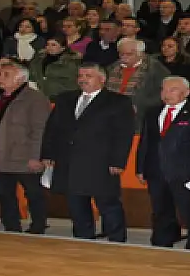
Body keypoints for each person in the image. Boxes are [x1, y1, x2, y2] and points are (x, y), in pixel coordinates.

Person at [41, 64, 136, 241]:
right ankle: (83, 239)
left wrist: (118, 161)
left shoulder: (118, 102)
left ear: (102, 79)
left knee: (107, 204)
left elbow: (123, 134)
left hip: (101, 162)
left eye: (88, 75)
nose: (83, 79)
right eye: (80, 75)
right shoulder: (65, 99)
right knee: (76, 204)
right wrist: (48, 153)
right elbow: (52, 128)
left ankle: (117, 240)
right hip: (69, 161)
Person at [135, 76, 190, 250]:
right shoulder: (152, 112)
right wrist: (140, 168)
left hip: (186, 172)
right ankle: (162, 243)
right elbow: (145, 142)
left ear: (186, 92)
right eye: (164, 90)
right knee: (160, 211)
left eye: (173, 90)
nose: (166, 94)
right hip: (156, 171)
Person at [0, 61, 51, 234]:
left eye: (6, 75)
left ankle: (38, 225)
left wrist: (36, 157)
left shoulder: (35, 99)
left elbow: (40, 130)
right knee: (4, 194)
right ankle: (11, 226)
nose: (0, 78)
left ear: (20, 79)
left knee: (33, 194)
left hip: (25, 156)